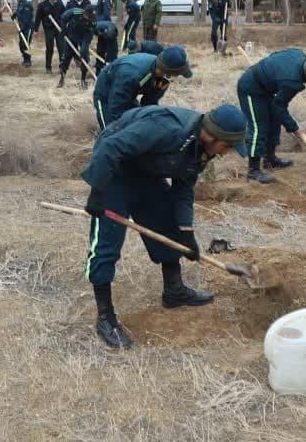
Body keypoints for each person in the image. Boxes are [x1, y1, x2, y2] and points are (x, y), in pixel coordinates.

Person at [82, 104, 248, 348]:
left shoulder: (201, 149)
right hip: (114, 170)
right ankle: (105, 317)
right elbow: (111, 146)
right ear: (212, 136)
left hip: (145, 170)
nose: (227, 152)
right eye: (228, 146)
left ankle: (174, 291)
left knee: (167, 224)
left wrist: (186, 232)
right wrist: (98, 191)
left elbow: (183, 188)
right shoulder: (166, 129)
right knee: (107, 243)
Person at [238, 49, 306, 183]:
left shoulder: (299, 54)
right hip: (250, 88)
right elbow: (279, 107)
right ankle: (253, 171)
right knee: (259, 128)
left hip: (266, 89)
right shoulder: (292, 82)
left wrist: (271, 75)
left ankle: (270, 160)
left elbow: (274, 55)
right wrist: (295, 128)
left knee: (275, 121)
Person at [92, 46, 191, 129]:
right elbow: (116, 107)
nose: (175, 77)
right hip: (106, 90)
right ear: (167, 72)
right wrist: (116, 128)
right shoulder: (132, 74)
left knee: (138, 122)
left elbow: (150, 103)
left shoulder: (162, 79)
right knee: (110, 131)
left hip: (128, 93)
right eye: (176, 74)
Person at [58, 6, 95, 89]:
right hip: (72, 35)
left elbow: (91, 32)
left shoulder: (93, 19)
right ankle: (62, 79)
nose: (89, 18)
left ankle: (83, 80)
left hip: (84, 36)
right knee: (66, 57)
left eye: (90, 17)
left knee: (84, 54)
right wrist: (63, 29)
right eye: (88, 16)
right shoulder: (76, 12)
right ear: (85, 13)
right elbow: (63, 17)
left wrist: (85, 45)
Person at [34, 0, 65, 74]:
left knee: (61, 47)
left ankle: (62, 67)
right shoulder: (43, 5)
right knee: (49, 47)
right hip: (48, 29)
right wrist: (36, 30)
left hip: (58, 29)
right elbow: (38, 18)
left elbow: (64, 15)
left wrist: (64, 27)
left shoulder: (59, 3)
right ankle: (48, 67)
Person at [11, 0, 33, 67]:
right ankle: (25, 58)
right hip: (21, 28)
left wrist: (22, 28)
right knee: (21, 45)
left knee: (26, 44)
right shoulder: (20, 4)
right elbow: (18, 12)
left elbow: (27, 18)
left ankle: (28, 60)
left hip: (28, 28)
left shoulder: (27, 5)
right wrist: (14, 14)